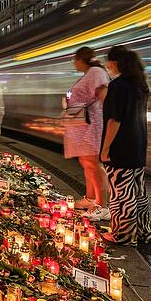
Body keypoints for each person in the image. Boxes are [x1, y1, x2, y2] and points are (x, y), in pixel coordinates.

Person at [100, 46, 151, 249]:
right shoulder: (140, 84)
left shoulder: (118, 86)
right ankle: (143, 233)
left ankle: (122, 235)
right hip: (138, 146)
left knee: (121, 194)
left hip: (120, 147)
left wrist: (105, 149)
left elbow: (114, 120)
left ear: (116, 63)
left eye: (109, 62)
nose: (107, 66)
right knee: (139, 194)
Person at [63, 46, 109, 220]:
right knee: (86, 161)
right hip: (82, 127)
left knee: (94, 163)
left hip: (91, 126)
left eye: (74, 59)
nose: (74, 63)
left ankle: (102, 205)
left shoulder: (96, 72)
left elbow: (103, 97)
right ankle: (90, 198)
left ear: (81, 59)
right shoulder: (89, 73)